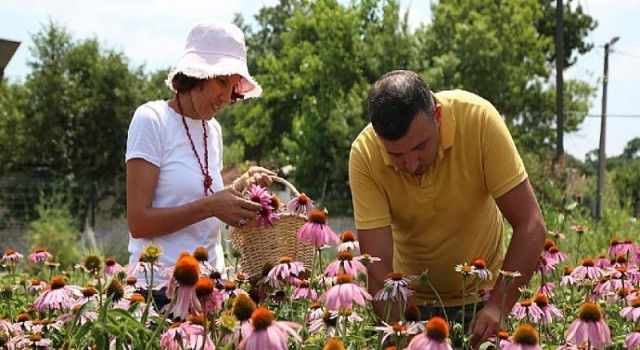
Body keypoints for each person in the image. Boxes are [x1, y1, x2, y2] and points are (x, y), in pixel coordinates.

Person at [348, 70, 546, 348]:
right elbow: (377, 265)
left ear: (437, 117)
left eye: (420, 146)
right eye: (396, 155)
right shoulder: (365, 154)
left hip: (484, 301)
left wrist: (498, 307)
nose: (412, 164)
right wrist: (399, 332)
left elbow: (531, 224)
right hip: (412, 309)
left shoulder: (478, 120)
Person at [125, 19, 275, 306]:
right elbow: (139, 223)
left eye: (233, 86)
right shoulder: (152, 119)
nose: (227, 97)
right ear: (196, 74)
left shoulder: (213, 130)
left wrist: (240, 187)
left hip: (210, 288)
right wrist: (211, 206)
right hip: (157, 292)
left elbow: (203, 195)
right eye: (221, 81)